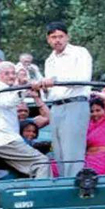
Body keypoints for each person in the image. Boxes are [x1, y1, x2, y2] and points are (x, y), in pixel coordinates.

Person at [34, 21, 92, 177]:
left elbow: (83, 78)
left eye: (60, 36)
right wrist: (42, 87)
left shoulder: (80, 53)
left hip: (75, 103)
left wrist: (55, 80)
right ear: (48, 39)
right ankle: (64, 182)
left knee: (72, 150)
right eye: (53, 37)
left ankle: (74, 184)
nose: (57, 40)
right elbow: (51, 91)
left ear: (67, 37)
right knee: (58, 150)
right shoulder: (50, 60)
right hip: (56, 107)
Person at [0, 62, 50, 178]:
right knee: (42, 162)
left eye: (13, 73)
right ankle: (42, 189)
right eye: (7, 74)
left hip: (3, 139)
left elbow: (46, 118)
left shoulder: (8, 90)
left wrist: (32, 92)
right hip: (2, 139)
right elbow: (8, 102)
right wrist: (25, 87)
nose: (11, 76)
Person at [84, 93, 105, 175]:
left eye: (98, 110)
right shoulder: (89, 124)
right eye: (92, 111)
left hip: (102, 161)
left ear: (104, 110)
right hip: (87, 160)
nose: (95, 114)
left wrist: (90, 92)